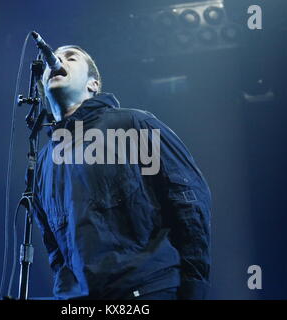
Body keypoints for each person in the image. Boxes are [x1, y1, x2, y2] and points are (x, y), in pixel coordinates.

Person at [33, 44, 212, 300]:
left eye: (71, 58)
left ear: (93, 84)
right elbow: (54, 246)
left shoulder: (134, 125)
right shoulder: (43, 162)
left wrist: (194, 286)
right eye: (55, 58)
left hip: (149, 289)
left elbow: (189, 200)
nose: (57, 61)